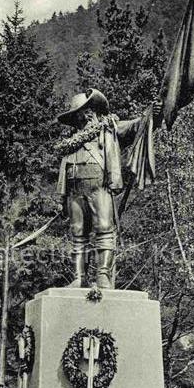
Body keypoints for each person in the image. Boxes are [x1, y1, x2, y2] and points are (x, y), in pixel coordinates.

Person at [56, 88, 160, 289]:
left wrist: (152, 114)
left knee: (104, 228)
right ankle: (79, 278)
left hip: (100, 186)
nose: (85, 115)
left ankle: (103, 274)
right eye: (79, 113)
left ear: (93, 111)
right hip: (74, 190)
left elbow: (136, 127)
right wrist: (62, 197)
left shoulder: (109, 129)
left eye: (87, 110)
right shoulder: (70, 144)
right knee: (77, 232)